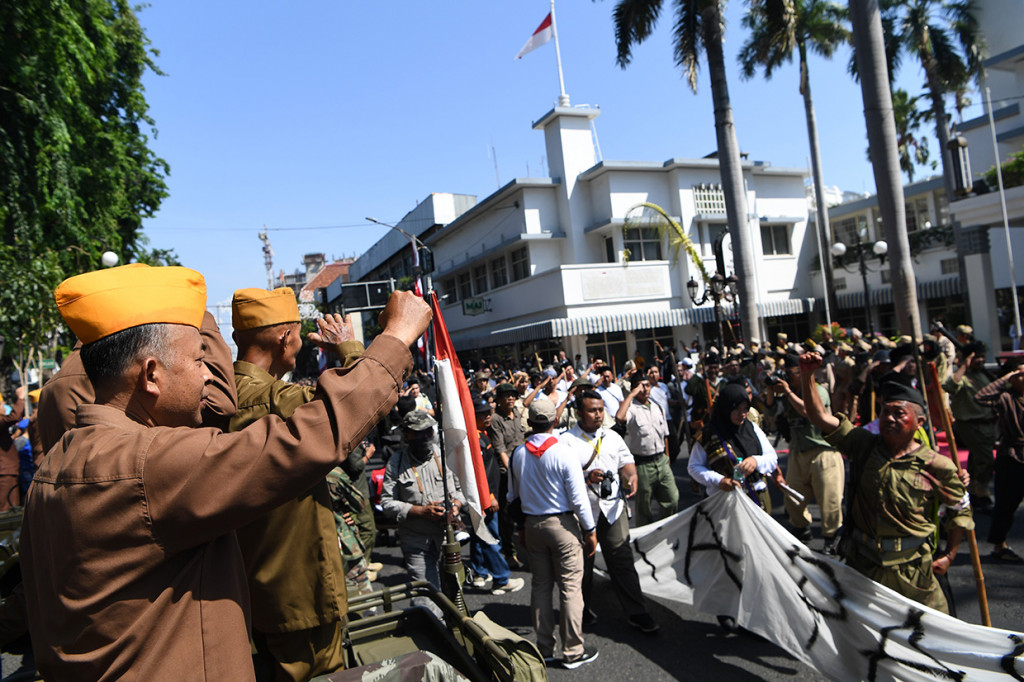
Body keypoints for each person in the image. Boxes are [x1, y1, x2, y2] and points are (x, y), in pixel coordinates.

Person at [21, 264, 430, 679]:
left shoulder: (55, 467)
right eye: (200, 361)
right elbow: (307, 439)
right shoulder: (149, 463)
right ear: (150, 374)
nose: (208, 376)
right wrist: (394, 338)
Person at [227, 286, 366, 681]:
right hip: (300, 592)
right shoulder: (278, 400)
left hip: (249, 585)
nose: (300, 342)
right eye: (298, 333)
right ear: (282, 337)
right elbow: (358, 408)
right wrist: (350, 349)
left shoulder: (215, 401)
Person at [798, 352, 972, 614]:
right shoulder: (864, 445)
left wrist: (949, 556)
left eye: (899, 414)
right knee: (861, 636)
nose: (889, 419)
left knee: (929, 636)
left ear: (919, 422)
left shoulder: (936, 465)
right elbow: (821, 418)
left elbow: (961, 512)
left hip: (912, 571)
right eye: (885, 412)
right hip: (864, 566)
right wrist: (807, 375)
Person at [508, 400, 599, 669]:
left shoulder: (519, 453)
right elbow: (578, 498)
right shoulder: (564, 452)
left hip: (532, 524)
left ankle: (544, 648)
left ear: (529, 422)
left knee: (541, 585)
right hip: (561, 525)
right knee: (570, 588)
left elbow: (512, 497)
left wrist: (522, 528)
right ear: (554, 422)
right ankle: (573, 650)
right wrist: (590, 529)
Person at [559, 391, 658, 633]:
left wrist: (632, 476)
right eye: (592, 410)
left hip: (613, 508)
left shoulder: (612, 436)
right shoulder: (566, 441)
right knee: (582, 564)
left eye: (601, 410)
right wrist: (585, 476)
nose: (598, 415)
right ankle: (579, 610)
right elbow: (561, 477)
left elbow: (626, 460)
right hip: (582, 513)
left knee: (622, 558)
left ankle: (637, 611)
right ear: (579, 413)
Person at [380, 410, 468, 615]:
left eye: (429, 432)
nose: (425, 438)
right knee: (425, 592)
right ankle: (432, 636)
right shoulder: (396, 463)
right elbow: (386, 503)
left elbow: (464, 491)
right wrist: (419, 511)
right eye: (419, 433)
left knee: (454, 590)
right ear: (407, 435)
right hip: (416, 539)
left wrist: (454, 507)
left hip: (448, 538)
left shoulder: (446, 455)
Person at [764, 355, 844, 546]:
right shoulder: (786, 395)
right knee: (791, 498)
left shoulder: (818, 390)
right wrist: (770, 390)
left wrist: (789, 393)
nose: (786, 378)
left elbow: (810, 412)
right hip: (797, 453)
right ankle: (802, 528)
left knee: (829, 502)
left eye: (790, 374)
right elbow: (769, 414)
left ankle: (830, 540)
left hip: (823, 452)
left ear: (801, 373)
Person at [687, 384, 778, 510]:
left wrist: (755, 461)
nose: (742, 414)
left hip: (757, 500)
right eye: (736, 409)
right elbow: (694, 467)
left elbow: (772, 458)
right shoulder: (707, 435)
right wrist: (719, 480)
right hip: (723, 503)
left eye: (745, 409)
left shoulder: (752, 428)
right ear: (726, 408)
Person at [467, 397, 524, 594]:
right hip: (485, 497)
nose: (488, 416)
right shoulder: (474, 439)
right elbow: (479, 471)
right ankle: (501, 579)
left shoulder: (481, 434)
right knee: (490, 536)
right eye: (483, 414)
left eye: (488, 412)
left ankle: (480, 571)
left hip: (484, 495)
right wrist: (489, 495)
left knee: (479, 533)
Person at [973, 362, 1024, 563]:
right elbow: (980, 397)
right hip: (1011, 456)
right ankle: (999, 545)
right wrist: (1006, 378)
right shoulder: (1006, 398)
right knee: (1006, 504)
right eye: (1020, 373)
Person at [617, 374, 678, 526]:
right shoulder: (632, 409)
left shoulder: (657, 407)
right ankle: (647, 541)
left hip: (661, 461)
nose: (645, 389)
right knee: (644, 509)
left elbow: (665, 435)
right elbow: (619, 417)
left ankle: (664, 530)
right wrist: (631, 395)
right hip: (643, 465)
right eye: (640, 386)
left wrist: (667, 458)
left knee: (672, 499)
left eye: (647, 385)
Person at [943, 341, 996, 513]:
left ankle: (972, 493)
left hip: (987, 425)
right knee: (986, 460)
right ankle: (982, 494)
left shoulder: (983, 375)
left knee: (976, 461)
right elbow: (949, 386)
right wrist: (964, 365)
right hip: (970, 426)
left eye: (982, 357)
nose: (980, 360)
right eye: (976, 357)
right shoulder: (962, 377)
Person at [491, 381, 527, 568]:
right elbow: (500, 448)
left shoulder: (517, 414)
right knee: (507, 513)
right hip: (507, 472)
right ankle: (509, 552)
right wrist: (513, 472)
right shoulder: (496, 419)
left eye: (513, 395)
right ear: (499, 399)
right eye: (507, 395)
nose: (511, 398)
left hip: (521, 467)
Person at [0, 386, 26, 510]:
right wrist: (20, 398)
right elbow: (14, 417)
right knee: (8, 510)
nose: (5, 408)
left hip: (7, 471)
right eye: (2, 405)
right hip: (5, 473)